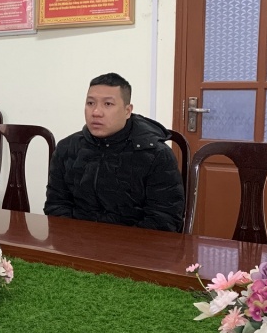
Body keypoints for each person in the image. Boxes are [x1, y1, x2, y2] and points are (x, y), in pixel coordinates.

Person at [44, 73, 185, 232]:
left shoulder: (156, 155)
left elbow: (164, 219)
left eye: (108, 104)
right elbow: (56, 205)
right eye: (90, 103)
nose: (96, 112)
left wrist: (116, 245)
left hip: (132, 248)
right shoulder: (67, 148)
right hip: (78, 242)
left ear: (127, 111)